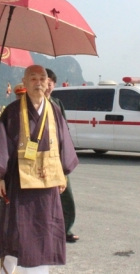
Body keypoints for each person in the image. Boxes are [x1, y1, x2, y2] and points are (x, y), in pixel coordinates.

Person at [0, 65, 79, 273]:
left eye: (42, 79)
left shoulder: (54, 110)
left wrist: (63, 175)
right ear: (25, 82)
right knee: (16, 231)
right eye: (33, 78)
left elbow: (63, 144)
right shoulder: (12, 112)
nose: (38, 83)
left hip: (47, 185)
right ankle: (8, 269)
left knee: (45, 231)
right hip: (19, 184)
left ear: (48, 82)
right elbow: (2, 144)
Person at [45, 68, 78, 243]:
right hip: (40, 158)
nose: (47, 85)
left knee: (66, 194)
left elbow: (63, 129)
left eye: (51, 82)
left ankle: (65, 229)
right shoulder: (31, 103)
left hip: (57, 156)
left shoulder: (57, 103)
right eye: (45, 81)